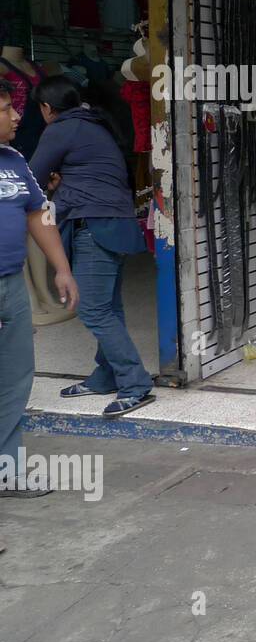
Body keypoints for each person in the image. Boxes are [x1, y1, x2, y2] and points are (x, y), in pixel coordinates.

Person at [28, 76, 153, 418]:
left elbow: (30, 179)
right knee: (108, 308)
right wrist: (63, 183)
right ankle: (106, 375)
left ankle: (135, 383)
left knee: (92, 309)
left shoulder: (61, 128)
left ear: (47, 108)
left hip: (95, 226)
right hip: (114, 223)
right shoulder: (93, 124)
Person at [0, 79, 79, 508]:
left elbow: (37, 213)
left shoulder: (12, 160)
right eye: (6, 109)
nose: (16, 116)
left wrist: (62, 269)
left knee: (14, 380)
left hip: (11, 285)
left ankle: (6, 470)